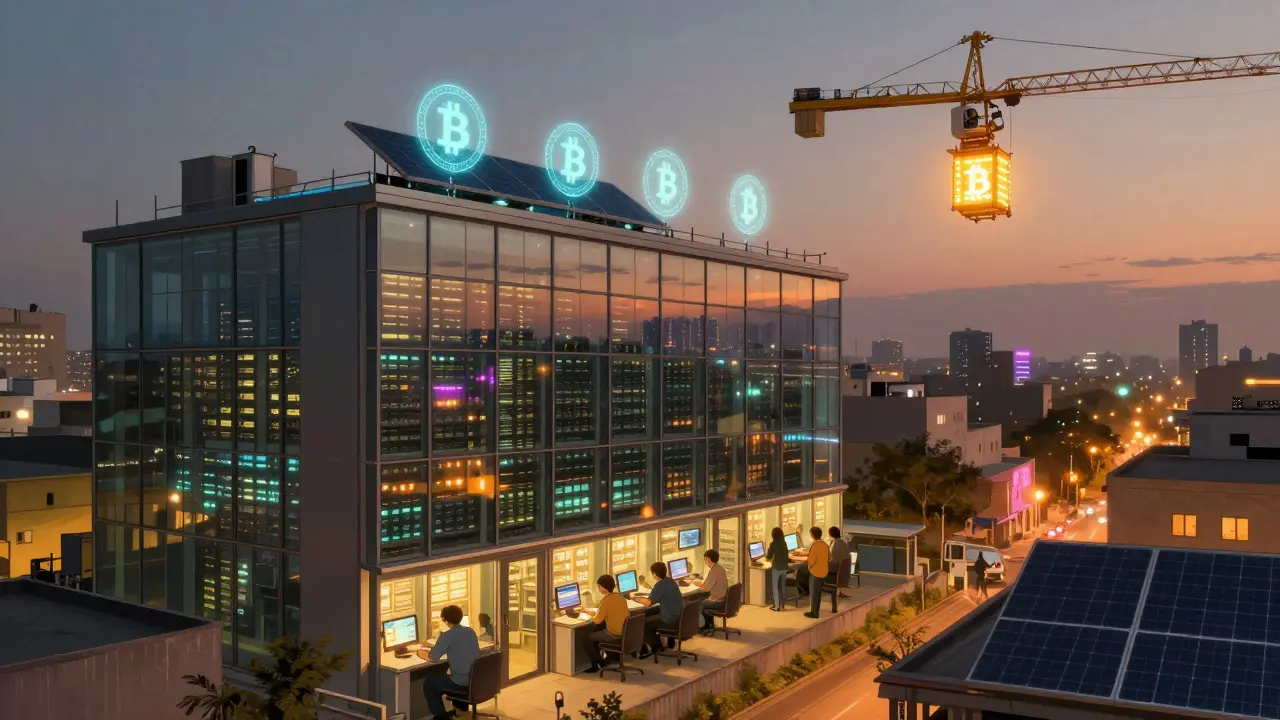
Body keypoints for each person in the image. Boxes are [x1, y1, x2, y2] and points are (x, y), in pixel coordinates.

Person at [419, 605, 480, 720]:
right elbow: (459, 648)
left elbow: (432, 657)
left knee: (430, 683)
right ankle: (461, 710)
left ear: (446, 621)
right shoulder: (470, 631)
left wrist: (418, 651)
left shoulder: (447, 636)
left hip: (460, 683)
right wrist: (434, 646)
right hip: (474, 681)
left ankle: (441, 717)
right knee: (445, 673)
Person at [580, 574, 628, 673]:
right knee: (599, 630)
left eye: (598, 586)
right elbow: (604, 613)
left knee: (587, 638)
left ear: (602, 587)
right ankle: (606, 658)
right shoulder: (620, 597)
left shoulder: (605, 601)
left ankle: (597, 664)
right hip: (625, 632)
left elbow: (597, 620)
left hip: (614, 634)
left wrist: (587, 617)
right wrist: (587, 611)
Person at [635, 561, 682, 658]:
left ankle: (656, 647)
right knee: (651, 615)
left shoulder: (660, 585)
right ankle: (665, 643)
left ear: (655, 574)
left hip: (669, 619)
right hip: (678, 617)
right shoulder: (671, 581)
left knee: (643, 623)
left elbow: (648, 603)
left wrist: (636, 599)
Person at [696, 548, 729, 632]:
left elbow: (706, 587)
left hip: (718, 601)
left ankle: (705, 627)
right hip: (723, 599)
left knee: (700, 603)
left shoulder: (714, 571)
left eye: (705, 559)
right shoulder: (720, 568)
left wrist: (694, 582)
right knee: (704, 600)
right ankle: (710, 625)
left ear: (708, 559)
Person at [803, 527, 829, 619]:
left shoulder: (815, 546)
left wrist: (805, 559)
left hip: (816, 573)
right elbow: (828, 557)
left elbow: (811, 560)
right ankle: (815, 611)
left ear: (812, 535)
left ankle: (814, 613)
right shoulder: (825, 545)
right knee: (818, 594)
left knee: (814, 594)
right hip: (824, 572)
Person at [766, 527, 790, 611]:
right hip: (784, 567)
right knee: (782, 586)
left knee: (775, 587)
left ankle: (776, 607)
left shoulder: (773, 544)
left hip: (777, 568)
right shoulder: (784, 543)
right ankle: (783, 605)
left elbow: (768, 556)